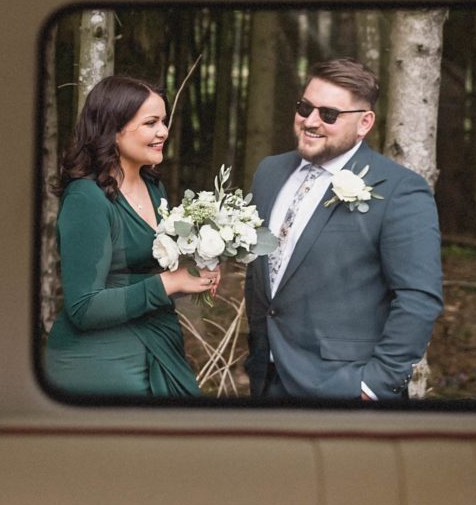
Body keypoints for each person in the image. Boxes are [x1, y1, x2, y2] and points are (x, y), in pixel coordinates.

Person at [244, 58, 443, 400]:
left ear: (364, 123)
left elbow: (418, 298)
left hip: (343, 387)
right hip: (267, 378)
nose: (310, 121)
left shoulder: (399, 190)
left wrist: (373, 385)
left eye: (329, 114)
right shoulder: (269, 172)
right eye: (305, 107)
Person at [43, 75, 218, 397]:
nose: (163, 132)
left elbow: (141, 273)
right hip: (100, 360)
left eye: (164, 121)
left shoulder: (153, 187)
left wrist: (195, 272)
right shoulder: (87, 198)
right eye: (151, 123)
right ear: (113, 129)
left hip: (158, 340)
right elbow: (84, 308)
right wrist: (171, 282)